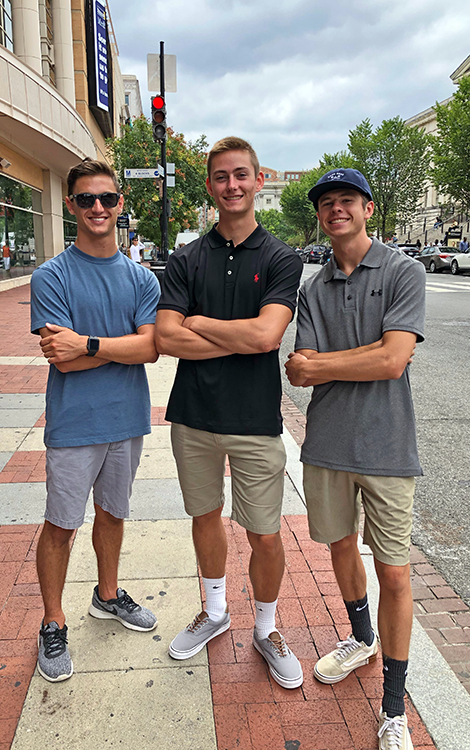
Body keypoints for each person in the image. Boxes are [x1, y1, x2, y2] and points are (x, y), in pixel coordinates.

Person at [155, 136, 303, 689]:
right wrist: (235, 338)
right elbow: (166, 336)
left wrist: (201, 324)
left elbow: (268, 335)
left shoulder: (282, 257)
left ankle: (267, 629)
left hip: (255, 420)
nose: (232, 185)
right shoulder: (186, 257)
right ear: (211, 186)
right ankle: (216, 613)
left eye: (242, 175)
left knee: (264, 533)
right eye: (221, 177)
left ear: (258, 180)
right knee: (204, 518)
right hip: (193, 416)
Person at [285, 168, 425, 750]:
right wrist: (365, 355)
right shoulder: (312, 288)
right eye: (326, 203)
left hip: (388, 446)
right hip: (328, 445)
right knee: (340, 547)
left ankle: (394, 706)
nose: (335, 209)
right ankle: (360, 638)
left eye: (346, 200)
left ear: (368, 208)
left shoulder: (403, 271)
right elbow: (298, 368)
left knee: (394, 571)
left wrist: (331, 363)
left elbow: (395, 361)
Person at [30, 159, 161, 683]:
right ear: (71, 206)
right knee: (61, 525)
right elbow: (59, 358)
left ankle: (107, 595)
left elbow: (152, 349)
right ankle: (53, 620)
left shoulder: (141, 278)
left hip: (125, 420)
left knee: (112, 515)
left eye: (106, 198)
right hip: (73, 423)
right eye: (86, 200)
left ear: (120, 201)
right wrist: (125, 346)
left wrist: (87, 343)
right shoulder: (51, 276)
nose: (98, 208)